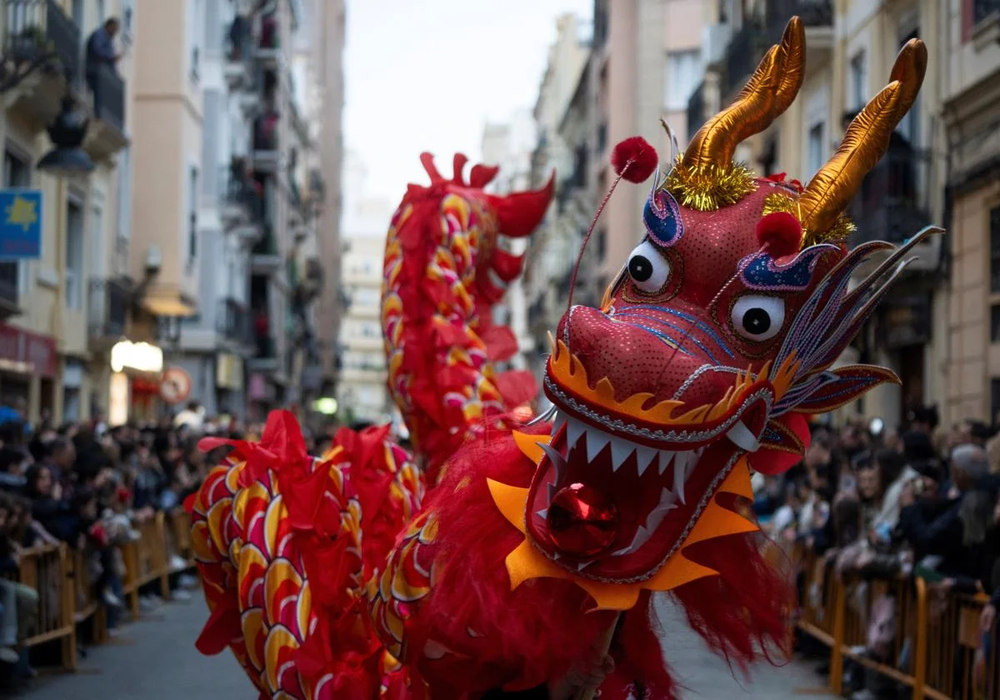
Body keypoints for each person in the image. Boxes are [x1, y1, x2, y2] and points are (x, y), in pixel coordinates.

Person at [85, 17, 121, 120]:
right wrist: (111, 57)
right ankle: (98, 114)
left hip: (100, 72)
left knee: (101, 94)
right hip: (95, 71)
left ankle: (99, 113)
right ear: (109, 26)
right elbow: (97, 50)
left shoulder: (106, 37)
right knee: (98, 93)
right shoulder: (100, 35)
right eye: (115, 29)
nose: (115, 32)